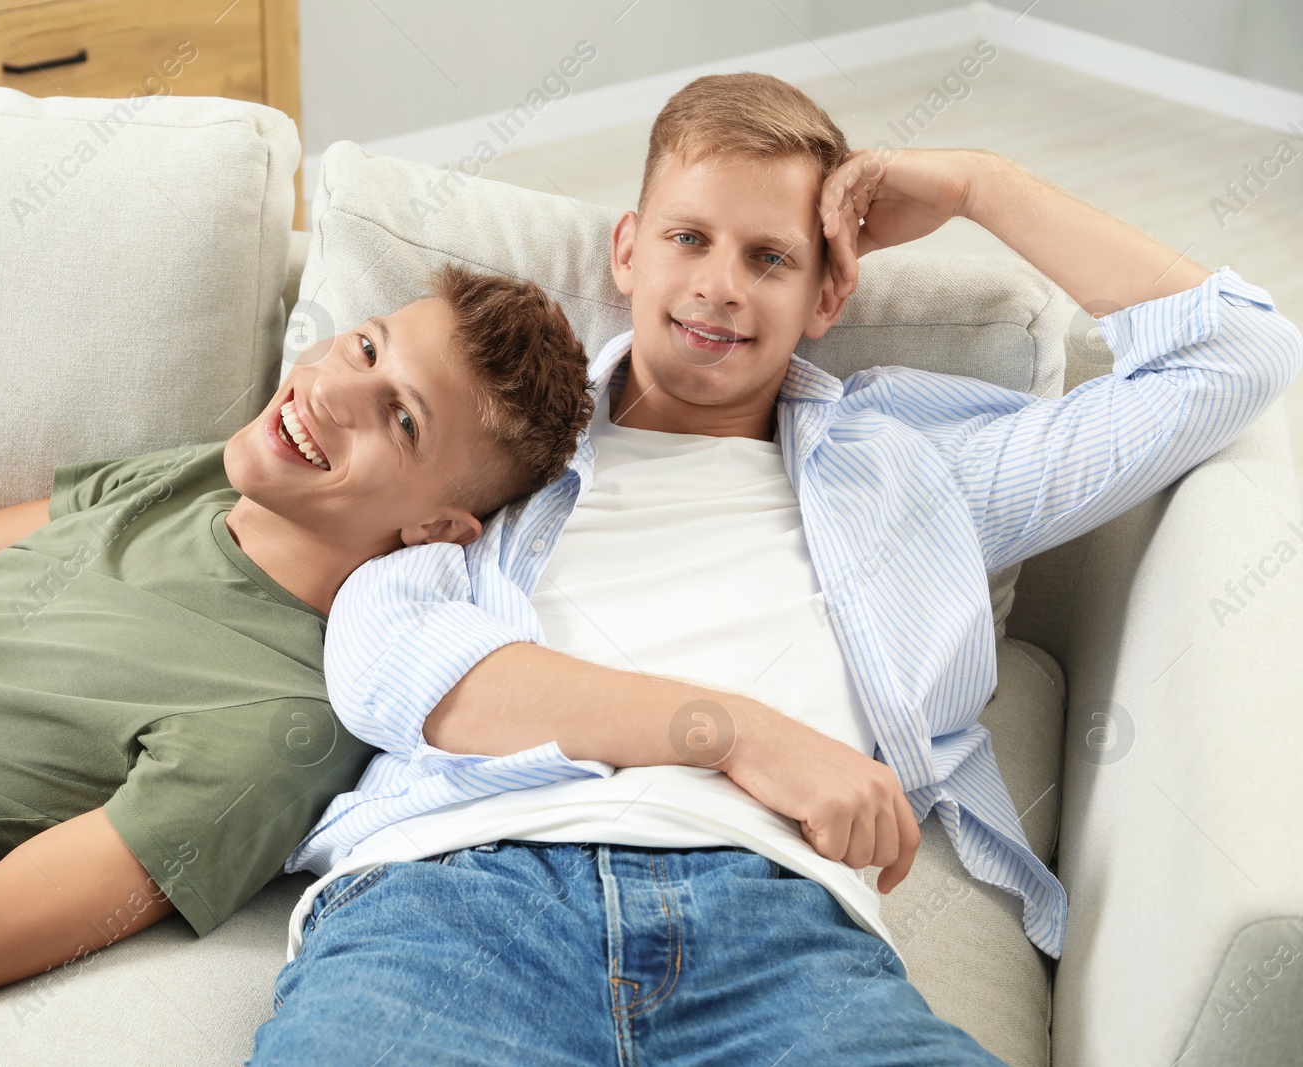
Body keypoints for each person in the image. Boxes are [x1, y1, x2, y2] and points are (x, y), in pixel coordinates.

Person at [247, 74, 1303, 1064]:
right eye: (688, 238)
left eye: (769, 257)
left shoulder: (911, 471)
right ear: (628, 250)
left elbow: (1239, 357)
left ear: (827, 292)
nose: (718, 286)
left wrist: (985, 184)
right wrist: (739, 733)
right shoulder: (506, 434)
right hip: (459, 891)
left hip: (770, 923)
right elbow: (394, 662)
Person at [0, 264, 595, 1009]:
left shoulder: (276, 727)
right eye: (363, 346)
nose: (329, 390)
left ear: (439, 529)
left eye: (401, 417)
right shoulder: (205, 475)